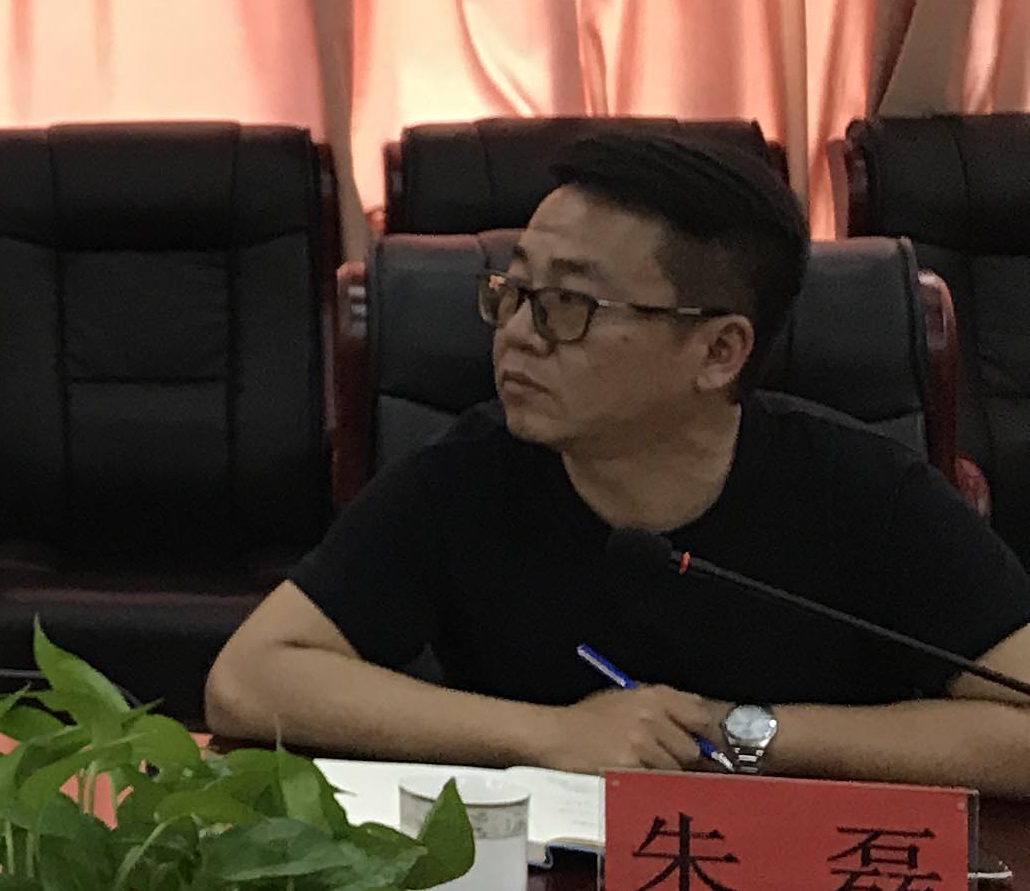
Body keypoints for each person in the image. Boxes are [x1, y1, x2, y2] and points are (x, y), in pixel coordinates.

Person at [208, 129, 1030, 793]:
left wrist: (736, 732)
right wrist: (552, 734)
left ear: (718, 351)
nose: (518, 334)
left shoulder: (864, 491)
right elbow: (249, 678)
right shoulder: (466, 475)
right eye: (514, 292)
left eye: (570, 304)